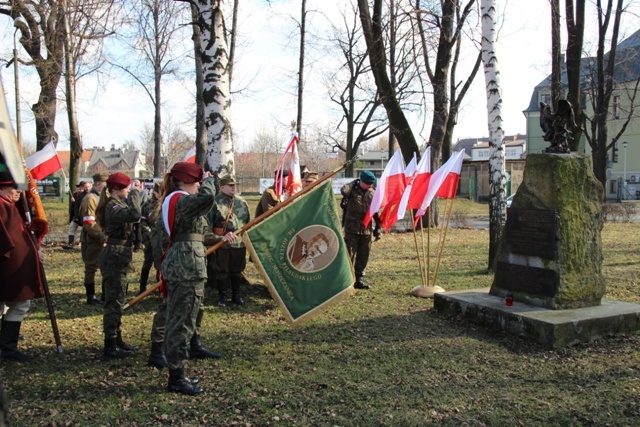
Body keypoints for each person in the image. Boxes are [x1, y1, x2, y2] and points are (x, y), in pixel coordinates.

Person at [161, 162, 238, 395]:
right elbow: (207, 199)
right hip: (186, 268)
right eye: (196, 181)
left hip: (187, 265)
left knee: (185, 318)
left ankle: (179, 372)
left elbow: (198, 236)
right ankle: (176, 377)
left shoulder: (180, 201)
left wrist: (221, 239)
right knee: (181, 322)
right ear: (186, 181)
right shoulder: (180, 199)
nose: (199, 185)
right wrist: (209, 181)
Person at [96, 172, 142, 359]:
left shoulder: (118, 204)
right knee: (113, 302)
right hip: (114, 255)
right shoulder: (113, 206)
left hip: (120, 254)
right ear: (116, 189)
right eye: (126, 187)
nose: (128, 190)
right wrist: (136, 194)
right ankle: (110, 345)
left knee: (119, 298)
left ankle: (117, 340)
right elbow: (135, 214)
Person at [0, 170, 44, 361]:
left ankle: (7, 346)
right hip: (5, 269)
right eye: (14, 187)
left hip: (13, 270)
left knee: (19, 304)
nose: (19, 192)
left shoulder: (10, 205)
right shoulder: (2, 206)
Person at [208, 175, 250, 307]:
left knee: (237, 270)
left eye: (234, 185)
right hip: (222, 243)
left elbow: (247, 222)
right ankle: (222, 296)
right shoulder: (214, 203)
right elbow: (208, 224)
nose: (233, 188)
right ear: (222, 187)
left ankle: (236, 295)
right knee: (222, 270)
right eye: (230, 185)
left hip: (239, 243)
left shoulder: (242, 202)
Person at [340, 170, 381, 290]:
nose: (369, 186)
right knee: (349, 254)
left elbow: (375, 212)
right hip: (352, 228)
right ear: (361, 182)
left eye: (371, 184)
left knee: (364, 255)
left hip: (366, 229)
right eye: (367, 183)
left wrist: (378, 227)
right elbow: (343, 191)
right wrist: (354, 182)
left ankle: (359, 279)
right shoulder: (352, 191)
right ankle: (346, 279)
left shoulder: (372, 194)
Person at [79, 173, 108, 305]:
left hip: (101, 237)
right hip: (92, 238)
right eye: (105, 184)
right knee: (91, 267)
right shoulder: (91, 198)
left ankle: (104, 295)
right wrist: (102, 237)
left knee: (104, 266)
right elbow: (89, 222)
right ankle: (90, 296)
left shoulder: (100, 197)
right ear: (98, 184)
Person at [138, 181, 162, 295]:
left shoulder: (166, 203)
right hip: (150, 240)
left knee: (161, 264)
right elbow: (143, 223)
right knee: (147, 263)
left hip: (162, 240)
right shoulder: (148, 205)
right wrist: (150, 233)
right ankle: (142, 287)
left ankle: (160, 287)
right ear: (156, 192)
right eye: (160, 192)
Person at [62, 181, 91, 250]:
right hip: (78, 216)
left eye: (88, 187)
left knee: (87, 231)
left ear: (91, 187)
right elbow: (76, 207)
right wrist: (75, 216)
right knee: (72, 227)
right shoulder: (79, 195)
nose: (86, 188)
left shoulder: (92, 195)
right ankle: (70, 243)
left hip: (88, 217)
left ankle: (87, 245)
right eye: (85, 187)